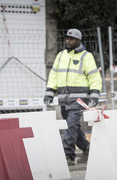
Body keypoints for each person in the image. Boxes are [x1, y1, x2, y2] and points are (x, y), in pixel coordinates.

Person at [44, 28, 102, 166]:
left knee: (71, 126)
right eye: (67, 38)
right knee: (73, 127)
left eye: (71, 39)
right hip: (64, 99)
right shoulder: (61, 55)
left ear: (78, 40)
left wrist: (94, 96)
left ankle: (68, 155)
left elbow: (94, 77)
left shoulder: (86, 56)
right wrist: (49, 92)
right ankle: (87, 148)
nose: (68, 41)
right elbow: (54, 75)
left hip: (79, 100)